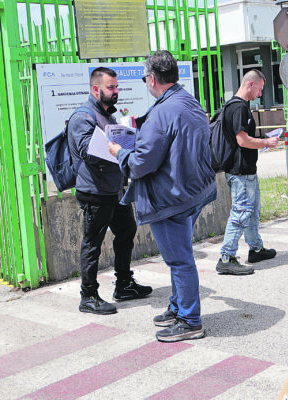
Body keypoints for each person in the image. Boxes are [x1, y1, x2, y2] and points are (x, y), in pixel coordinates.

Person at [108, 51, 217, 342]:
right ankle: (178, 307)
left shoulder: (162, 112)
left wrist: (120, 153)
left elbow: (142, 163)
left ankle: (190, 321)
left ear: (152, 79)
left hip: (170, 198)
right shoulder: (188, 101)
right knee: (179, 256)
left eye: (145, 78)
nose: (146, 82)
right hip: (193, 191)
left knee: (179, 261)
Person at [68, 67, 152, 315]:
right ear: (96, 89)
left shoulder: (107, 115)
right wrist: (117, 146)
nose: (116, 91)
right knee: (92, 243)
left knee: (127, 230)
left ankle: (124, 284)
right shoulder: (82, 117)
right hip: (94, 191)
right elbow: (88, 152)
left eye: (117, 87)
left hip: (114, 189)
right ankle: (88, 295)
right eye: (111, 87)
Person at [215, 69, 279, 276]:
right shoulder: (238, 107)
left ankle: (256, 249)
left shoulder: (238, 106)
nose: (260, 94)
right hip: (240, 172)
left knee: (252, 212)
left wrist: (262, 141)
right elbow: (242, 140)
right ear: (250, 84)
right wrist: (266, 142)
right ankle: (226, 258)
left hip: (245, 170)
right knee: (241, 213)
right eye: (259, 89)